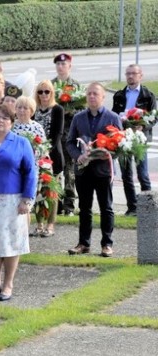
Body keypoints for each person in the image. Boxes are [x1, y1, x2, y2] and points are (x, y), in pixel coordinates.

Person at [0, 105, 37, 301]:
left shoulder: (21, 143)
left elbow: (30, 172)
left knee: (10, 243)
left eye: (5, 118)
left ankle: (8, 284)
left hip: (12, 199)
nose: (0, 120)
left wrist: (27, 200)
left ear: (12, 122)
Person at [66, 82, 122, 257]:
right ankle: (84, 243)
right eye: (89, 93)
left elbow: (120, 145)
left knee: (106, 207)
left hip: (103, 170)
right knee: (84, 208)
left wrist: (105, 154)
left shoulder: (113, 118)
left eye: (95, 94)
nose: (91, 97)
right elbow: (69, 142)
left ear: (103, 97)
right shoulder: (78, 117)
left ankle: (107, 243)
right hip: (83, 170)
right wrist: (77, 156)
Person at [112, 64, 157, 216]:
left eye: (133, 73)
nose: (130, 76)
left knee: (143, 174)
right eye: (128, 74)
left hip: (139, 138)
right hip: (123, 138)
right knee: (126, 175)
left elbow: (153, 117)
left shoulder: (148, 95)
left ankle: (148, 209)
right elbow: (114, 115)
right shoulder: (119, 95)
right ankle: (132, 207)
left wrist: (142, 127)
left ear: (140, 75)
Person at [34, 80, 65, 237]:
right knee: (38, 191)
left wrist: (44, 151)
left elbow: (57, 134)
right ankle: (39, 223)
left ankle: (50, 225)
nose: (44, 95)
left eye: (47, 91)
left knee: (51, 192)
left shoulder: (57, 109)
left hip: (52, 157)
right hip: (35, 157)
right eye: (40, 92)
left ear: (52, 93)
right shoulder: (34, 109)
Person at [52, 52, 80, 216]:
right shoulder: (50, 85)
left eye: (64, 64)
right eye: (58, 64)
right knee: (56, 168)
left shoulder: (75, 86)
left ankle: (69, 204)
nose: (61, 67)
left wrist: (70, 110)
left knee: (70, 169)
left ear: (70, 66)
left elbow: (82, 110)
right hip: (56, 133)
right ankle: (57, 202)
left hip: (70, 132)